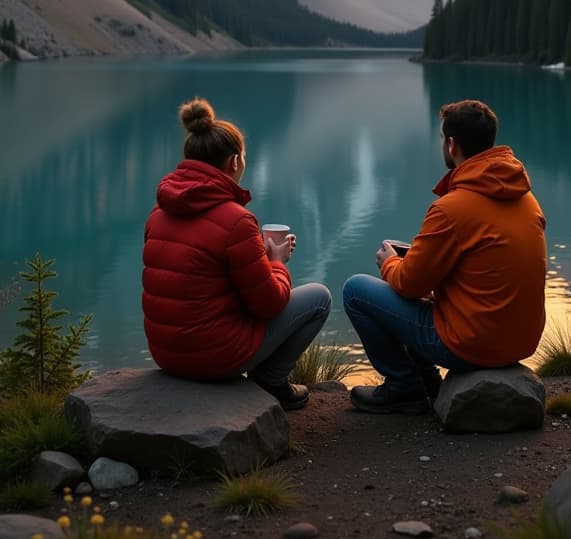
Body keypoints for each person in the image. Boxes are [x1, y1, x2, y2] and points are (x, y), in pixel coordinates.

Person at [343, 99, 546, 414]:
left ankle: (403, 388)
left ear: (452, 145)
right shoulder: (527, 201)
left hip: (472, 345)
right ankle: (426, 381)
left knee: (356, 291)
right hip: (522, 341)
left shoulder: (452, 209)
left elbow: (409, 284)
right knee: (421, 295)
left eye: (442, 138)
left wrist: (390, 263)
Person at [143, 97, 331, 410]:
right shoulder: (236, 221)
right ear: (233, 162)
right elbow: (269, 304)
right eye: (242, 158)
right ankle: (271, 382)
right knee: (319, 298)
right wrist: (276, 262)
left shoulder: (157, 214)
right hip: (215, 359)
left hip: (165, 354)